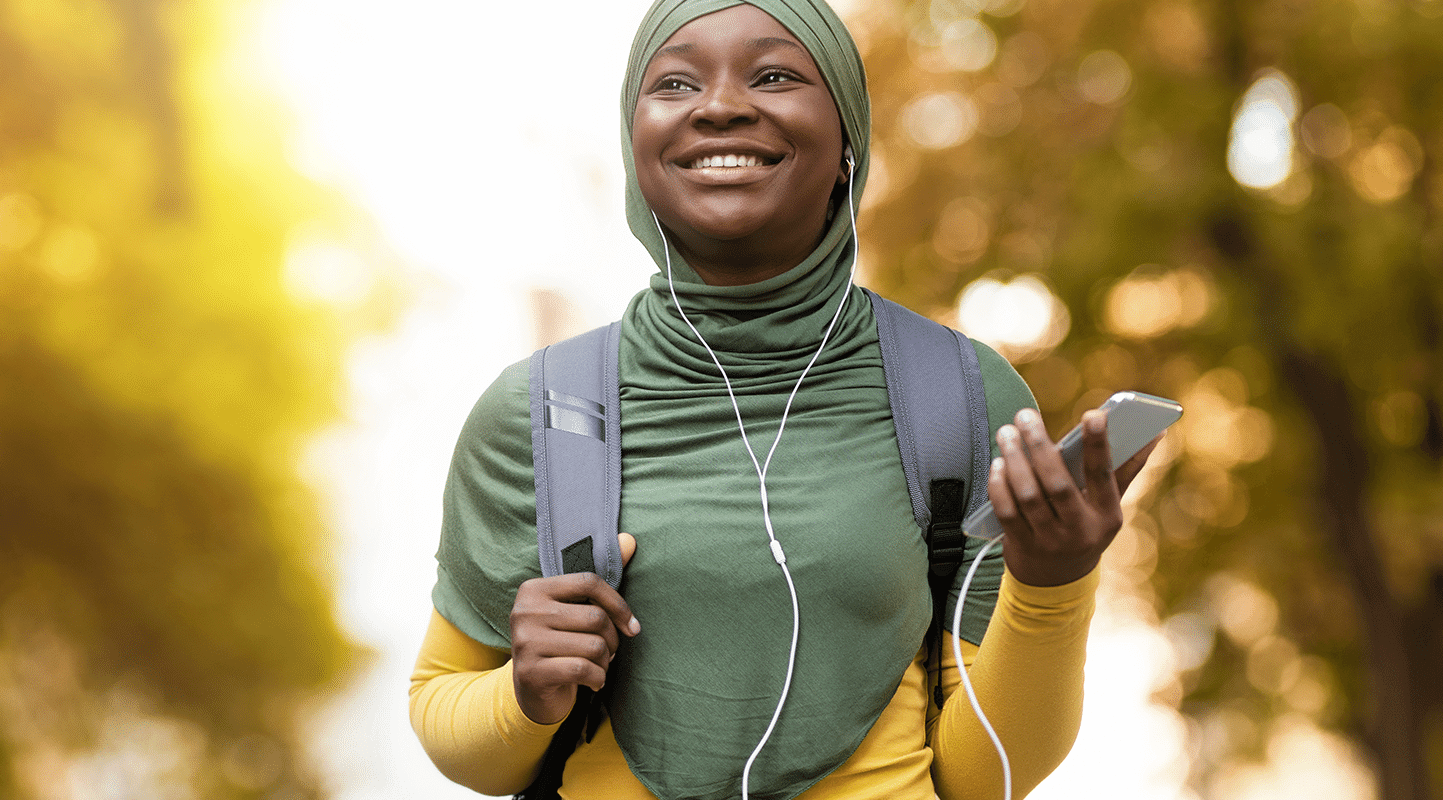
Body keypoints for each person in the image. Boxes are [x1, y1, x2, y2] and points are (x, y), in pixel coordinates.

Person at [409, 0, 1158, 797]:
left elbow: (984, 779)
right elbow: (448, 721)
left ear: (848, 145)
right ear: (636, 147)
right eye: (674, 83)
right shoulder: (539, 415)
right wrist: (526, 693)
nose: (721, 106)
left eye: (773, 75)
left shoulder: (960, 398)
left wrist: (1054, 583)